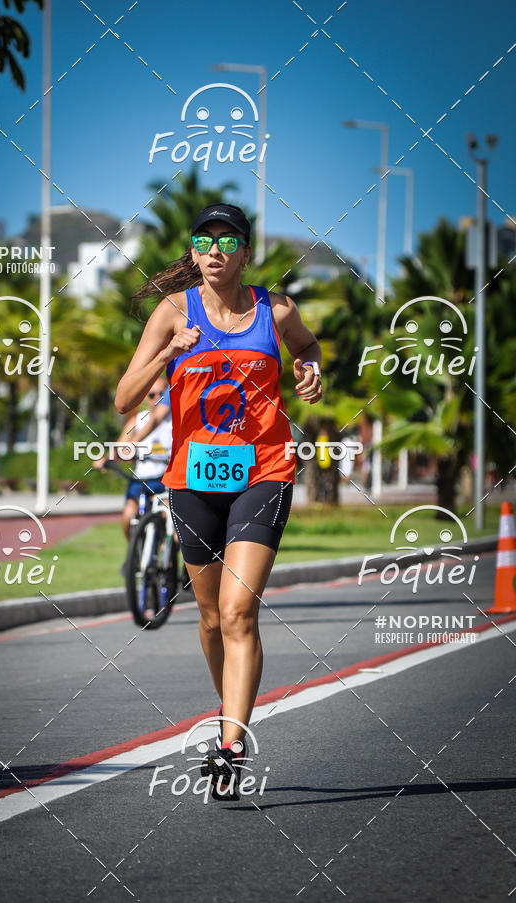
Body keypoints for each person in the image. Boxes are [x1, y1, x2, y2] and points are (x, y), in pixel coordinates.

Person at [115, 203, 322, 796]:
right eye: (203, 241)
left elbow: (309, 350)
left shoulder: (275, 310)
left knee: (237, 611)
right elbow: (125, 400)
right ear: (193, 250)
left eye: (227, 241)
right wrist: (165, 351)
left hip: (265, 471)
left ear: (245, 253)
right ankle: (231, 705)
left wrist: (309, 372)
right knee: (209, 618)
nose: (214, 251)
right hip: (192, 479)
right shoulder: (172, 311)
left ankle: (230, 746)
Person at [95, 376, 172, 540]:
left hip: (165, 480)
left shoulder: (174, 419)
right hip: (140, 479)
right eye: (152, 395)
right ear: (146, 397)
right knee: (128, 514)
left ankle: (168, 557)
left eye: (161, 394)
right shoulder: (137, 420)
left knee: (170, 520)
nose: (157, 398)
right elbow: (120, 447)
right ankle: (134, 556)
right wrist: (106, 460)